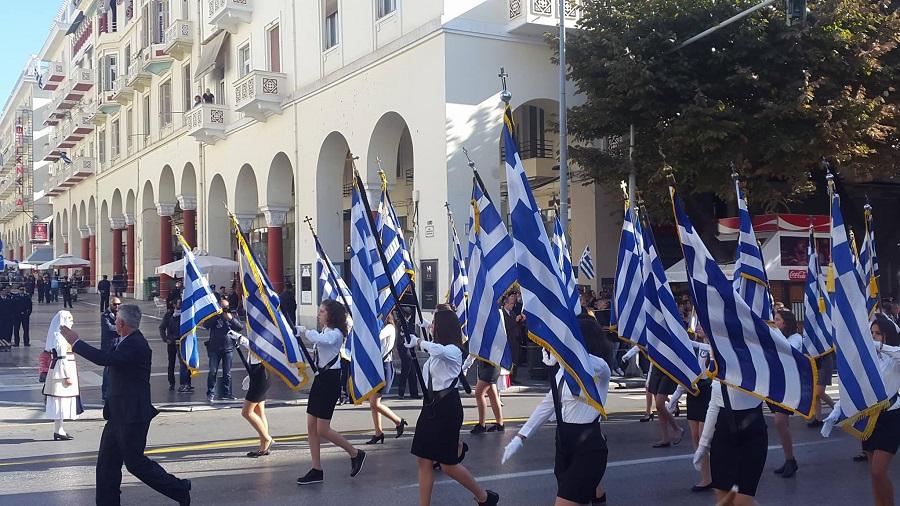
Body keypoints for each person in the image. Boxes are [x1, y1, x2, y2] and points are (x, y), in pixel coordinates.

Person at [60, 304, 192, 505]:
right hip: (117, 415)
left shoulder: (136, 344)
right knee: (106, 466)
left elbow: (104, 359)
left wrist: (75, 341)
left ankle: (179, 489)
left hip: (132, 416)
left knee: (135, 463)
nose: (115, 323)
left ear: (121, 323)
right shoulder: (126, 340)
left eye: (116, 321)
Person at [407, 309, 499, 506]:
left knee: (448, 465)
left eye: (434, 324)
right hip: (431, 407)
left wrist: (420, 342)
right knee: (423, 460)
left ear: (443, 327)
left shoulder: (454, 350)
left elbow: (439, 351)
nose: (431, 327)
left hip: (447, 408)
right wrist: (425, 333)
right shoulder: (438, 348)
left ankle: (484, 497)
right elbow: (433, 355)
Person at [503, 347, 611, 506]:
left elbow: (589, 362)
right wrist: (520, 437)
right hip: (564, 442)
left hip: (588, 445)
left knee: (566, 499)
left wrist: (562, 354)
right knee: (585, 489)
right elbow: (547, 405)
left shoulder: (600, 370)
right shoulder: (562, 372)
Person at [295, 299, 367, 485]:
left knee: (322, 429)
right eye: (319, 311)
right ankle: (316, 469)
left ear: (331, 315)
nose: (319, 314)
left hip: (330, 381)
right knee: (311, 426)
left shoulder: (335, 334)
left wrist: (304, 331)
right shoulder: (325, 331)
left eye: (322, 312)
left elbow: (321, 340)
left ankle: (355, 453)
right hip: (321, 380)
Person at [694, 380, 766, 505]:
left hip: (752, 433)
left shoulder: (756, 365)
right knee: (723, 496)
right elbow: (714, 405)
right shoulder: (719, 365)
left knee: (741, 500)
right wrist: (703, 445)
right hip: (723, 435)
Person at [365, 311, 408, 444]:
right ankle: (378, 432)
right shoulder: (383, 327)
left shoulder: (389, 328)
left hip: (384, 367)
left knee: (374, 403)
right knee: (373, 403)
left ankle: (398, 421)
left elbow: (376, 338)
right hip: (376, 366)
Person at [769, 309, 802, 478]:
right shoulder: (776, 337)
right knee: (782, 426)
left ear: (786, 322)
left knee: (780, 422)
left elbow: (788, 350)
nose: (775, 323)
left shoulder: (796, 338)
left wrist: (772, 332)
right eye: (774, 320)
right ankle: (789, 459)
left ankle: (791, 460)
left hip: (790, 385)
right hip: (777, 384)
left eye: (777, 320)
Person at [232, 331, 274, 458]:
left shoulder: (265, 331)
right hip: (258, 374)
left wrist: (241, 339)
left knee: (246, 412)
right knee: (259, 412)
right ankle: (264, 446)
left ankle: (267, 439)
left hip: (261, 374)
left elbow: (257, 348)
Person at [43, 310, 82, 440]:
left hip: (60, 371)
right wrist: (66, 376)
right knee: (60, 402)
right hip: (61, 373)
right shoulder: (60, 337)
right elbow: (61, 358)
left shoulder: (59, 335)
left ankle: (59, 430)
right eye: (69, 319)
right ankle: (59, 430)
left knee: (61, 402)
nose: (72, 322)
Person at [203, 299, 242, 401]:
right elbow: (205, 325)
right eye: (222, 307)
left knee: (227, 373)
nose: (224, 309)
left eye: (226, 307)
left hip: (228, 348)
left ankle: (226, 393)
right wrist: (217, 316)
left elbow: (239, 327)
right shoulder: (213, 315)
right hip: (214, 348)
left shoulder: (231, 314)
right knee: (212, 371)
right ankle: (210, 393)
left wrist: (230, 319)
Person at [100, 297, 121, 403]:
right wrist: (120, 328)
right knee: (107, 371)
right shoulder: (105, 316)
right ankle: (105, 393)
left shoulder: (120, 315)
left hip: (118, 346)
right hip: (108, 347)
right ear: (110, 304)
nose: (117, 306)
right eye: (115, 304)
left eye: (118, 304)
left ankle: (115, 392)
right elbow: (109, 328)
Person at [159, 301, 181, 391]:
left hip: (182, 341)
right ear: (174, 305)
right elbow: (162, 327)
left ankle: (186, 382)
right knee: (171, 363)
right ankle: (171, 382)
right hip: (171, 342)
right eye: (179, 303)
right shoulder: (169, 314)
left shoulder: (186, 313)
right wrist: (165, 339)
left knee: (184, 363)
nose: (180, 305)